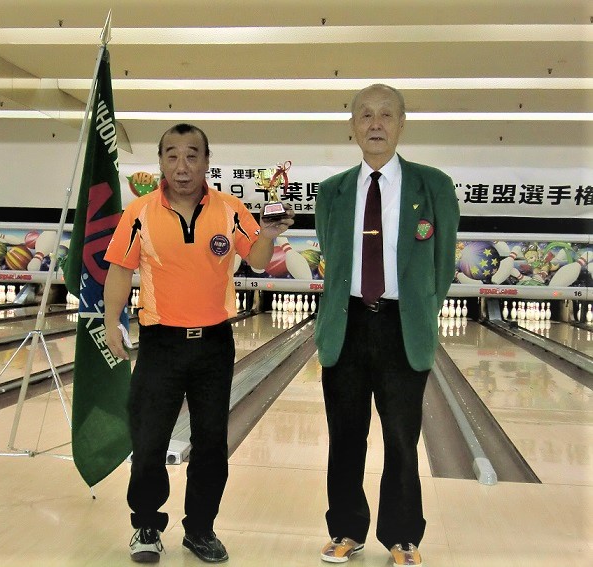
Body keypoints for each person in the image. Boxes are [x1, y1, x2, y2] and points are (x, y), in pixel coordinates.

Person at [104, 123, 294, 564]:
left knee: (210, 444)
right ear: (160, 162)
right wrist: (112, 321)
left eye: (192, 155)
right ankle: (146, 525)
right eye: (172, 155)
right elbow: (120, 270)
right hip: (160, 343)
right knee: (148, 440)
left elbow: (258, 261)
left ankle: (200, 530)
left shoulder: (230, 209)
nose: (182, 165)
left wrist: (268, 235)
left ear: (207, 162)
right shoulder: (139, 212)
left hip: (213, 344)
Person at [314, 84, 459, 567]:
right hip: (346, 324)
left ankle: (402, 536)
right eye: (366, 115)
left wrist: (418, 312)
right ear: (352, 125)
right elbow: (333, 259)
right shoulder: (332, 191)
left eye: (386, 115)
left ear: (401, 124)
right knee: (345, 436)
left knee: (401, 438)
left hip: (402, 326)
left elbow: (442, 266)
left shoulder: (433, 185)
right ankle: (345, 530)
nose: (375, 124)